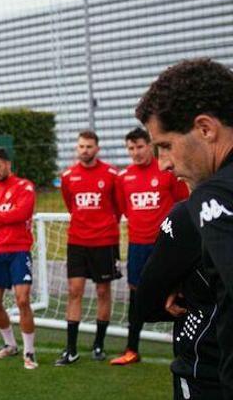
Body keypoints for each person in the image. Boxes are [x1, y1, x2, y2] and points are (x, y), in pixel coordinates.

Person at [135, 58, 233, 396]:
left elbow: (146, 302)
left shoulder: (213, 196)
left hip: (208, 376)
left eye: (165, 145)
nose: (163, 164)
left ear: (205, 129)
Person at [112, 127, 190, 366]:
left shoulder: (167, 172)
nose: (136, 152)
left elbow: (183, 202)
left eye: (140, 146)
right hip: (137, 245)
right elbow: (124, 208)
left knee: (178, 294)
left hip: (166, 245)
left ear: (150, 145)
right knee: (137, 296)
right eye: (131, 148)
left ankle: (186, 349)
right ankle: (131, 349)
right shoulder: (123, 178)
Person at [137, 202, 221, 399]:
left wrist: (188, 286)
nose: (166, 168)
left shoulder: (192, 212)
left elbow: (147, 301)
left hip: (207, 366)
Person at [57, 130, 121, 366]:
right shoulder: (68, 176)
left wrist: (103, 225)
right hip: (77, 241)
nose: (85, 150)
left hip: (104, 242)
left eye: (89, 146)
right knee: (75, 291)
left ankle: (98, 345)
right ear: (77, 149)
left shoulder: (112, 174)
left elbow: (119, 207)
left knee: (103, 292)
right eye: (81, 146)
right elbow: (70, 205)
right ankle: (71, 349)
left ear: (97, 148)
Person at [0, 147, 39, 370]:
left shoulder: (24, 186)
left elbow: (22, 214)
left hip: (19, 250)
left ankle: (30, 351)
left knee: (22, 300)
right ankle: (10, 344)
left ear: (7, 164)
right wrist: (1, 217)